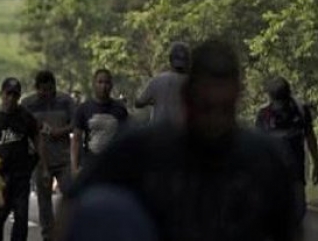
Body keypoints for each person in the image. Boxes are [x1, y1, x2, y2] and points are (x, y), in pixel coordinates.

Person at [57, 39, 301, 241]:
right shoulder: (142, 148)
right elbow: (73, 204)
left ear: (237, 98)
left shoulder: (261, 158)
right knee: (102, 206)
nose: (214, 121)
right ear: (188, 97)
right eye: (206, 108)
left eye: (224, 109)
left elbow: (289, 230)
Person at [20, 70, 75, 241]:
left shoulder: (66, 101)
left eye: (51, 89)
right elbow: (23, 129)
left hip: (63, 157)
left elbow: (75, 123)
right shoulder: (28, 104)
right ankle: (48, 236)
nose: (47, 94)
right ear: (37, 89)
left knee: (69, 195)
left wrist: (61, 131)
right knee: (44, 201)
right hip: (40, 159)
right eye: (43, 90)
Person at [0, 78, 44, 241]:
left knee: (21, 217)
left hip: (20, 175)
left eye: (15, 95)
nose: (11, 98)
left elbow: (37, 137)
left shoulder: (25, 116)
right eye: (8, 94)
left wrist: (39, 161)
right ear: (1, 94)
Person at [255, 75, 318, 222]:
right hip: (272, 174)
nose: (279, 106)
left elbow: (310, 138)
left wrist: (316, 162)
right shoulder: (264, 115)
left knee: (298, 213)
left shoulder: (300, 111)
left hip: (296, 172)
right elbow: (257, 146)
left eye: (282, 100)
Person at [70, 69, 128, 176]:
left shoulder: (120, 109)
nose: (103, 86)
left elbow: (126, 138)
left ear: (111, 85)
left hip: (114, 165)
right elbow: (76, 140)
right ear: (94, 84)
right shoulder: (83, 109)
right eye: (100, 82)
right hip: (90, 164)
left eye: (107, 82)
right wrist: (74, 168)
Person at [135, 42, 190, 125]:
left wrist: (154, 101)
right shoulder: (191, 83)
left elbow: (138, 103)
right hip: (182, 132)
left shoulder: (158, 80)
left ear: (170, 60)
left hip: (158, 132)